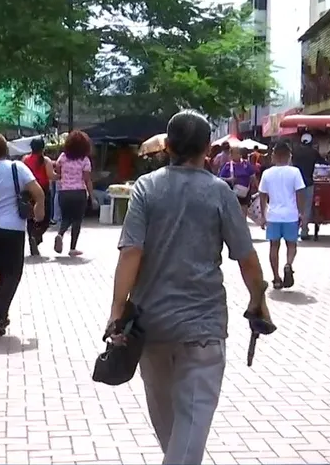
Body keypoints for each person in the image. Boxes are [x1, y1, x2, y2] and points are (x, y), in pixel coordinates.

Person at [109, 110, 270, 465]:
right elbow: (246, 258)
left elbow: (130, 253)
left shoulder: (146, 188)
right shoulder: (220, 193)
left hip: (150, 326)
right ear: (208, 150)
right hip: (203, 328)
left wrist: (117, 311)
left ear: (167, 146)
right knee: (188, 432)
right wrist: (259, 301)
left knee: (173, 434)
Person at [0, 134, 45, 336]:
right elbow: (38, 192)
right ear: (6, 150)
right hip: (12, 228)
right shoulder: (17, 168)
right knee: (12, 273)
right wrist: (39, 211)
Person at [259, 140, 306, 290]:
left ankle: (276, 278)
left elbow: (262, 196)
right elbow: (300, 193)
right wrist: (301, 212)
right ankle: (288, 264)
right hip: (291, 215)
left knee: (274, 246)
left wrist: (263, 215)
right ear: (288, 156)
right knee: (291, 244)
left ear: (274, 156)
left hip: (273, 215)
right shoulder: (295, 172)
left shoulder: (267, 173)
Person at [53, 130, 93, 256]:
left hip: (64, 192)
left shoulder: (63, 157)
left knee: (66, 217)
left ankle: (60, 233)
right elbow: (87, 180)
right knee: (77, 220)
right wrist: (92, 196)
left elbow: (58, 172)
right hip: (79, 193)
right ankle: (72, 248)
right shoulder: (85, 160)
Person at [22, 138, 54, 255]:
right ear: (43, 148)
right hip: (43, 190)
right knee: (46, 218)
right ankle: (37, 236)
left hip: (29, 190)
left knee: (31, 217)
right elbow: (51, 176)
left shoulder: (25, 159)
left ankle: (33, 239)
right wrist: (60, 175)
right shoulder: (46, 160)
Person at [292, 133, 322, 240]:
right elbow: (323, 162)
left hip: (295, 183)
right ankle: (304, 230)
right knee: (307, 207)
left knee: (295, 206)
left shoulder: (295, 152)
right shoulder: (313, 152)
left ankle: (293, 229)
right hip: (308, 183)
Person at [217, 146, 257, 213]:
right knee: (234, 213)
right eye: (235, 153)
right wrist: (229, 179)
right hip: (233, 193)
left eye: (238, 153)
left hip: (245, 192)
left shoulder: (246, 164)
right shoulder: (228, 166)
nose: (238, 155)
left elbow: (252, 176)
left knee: (243, 213)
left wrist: (256, 186)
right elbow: (220, 178)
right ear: (231, 155)